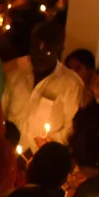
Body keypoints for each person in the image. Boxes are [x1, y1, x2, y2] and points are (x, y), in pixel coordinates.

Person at [17, 22, 85, 151]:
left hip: (41, 160)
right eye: (36, 49)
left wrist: (47, 145)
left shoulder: (71, 84)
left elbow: (71, 129)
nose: (39, 56)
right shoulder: (18, 73)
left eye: (47, 52)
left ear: (59, 51)